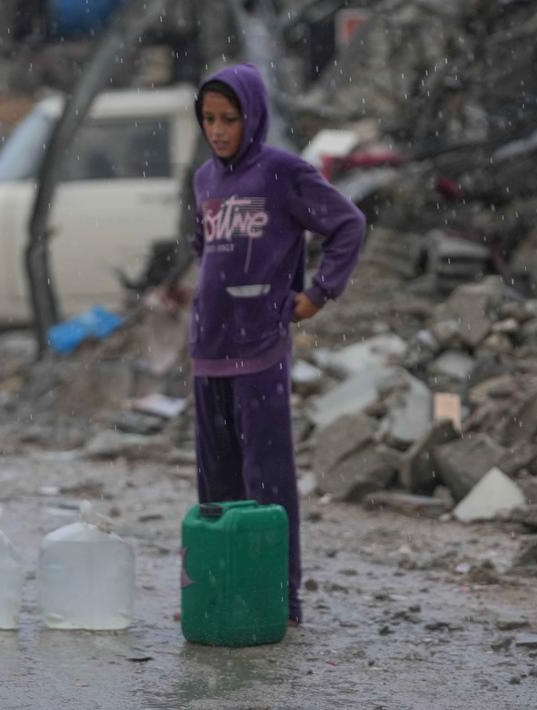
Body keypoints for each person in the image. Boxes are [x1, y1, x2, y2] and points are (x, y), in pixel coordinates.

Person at [187, 63, 366, 626]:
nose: (217, 131)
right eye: (208, 119)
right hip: (208, 349)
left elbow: (348, 224)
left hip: (260, 347)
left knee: (267, 482)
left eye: (229, 119)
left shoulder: (282, 173)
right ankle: (220, 588)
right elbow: (205, 249)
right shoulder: (204, 180)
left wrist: (316, 294)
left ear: (253, 117)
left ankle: (276, 599)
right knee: (215, 484)